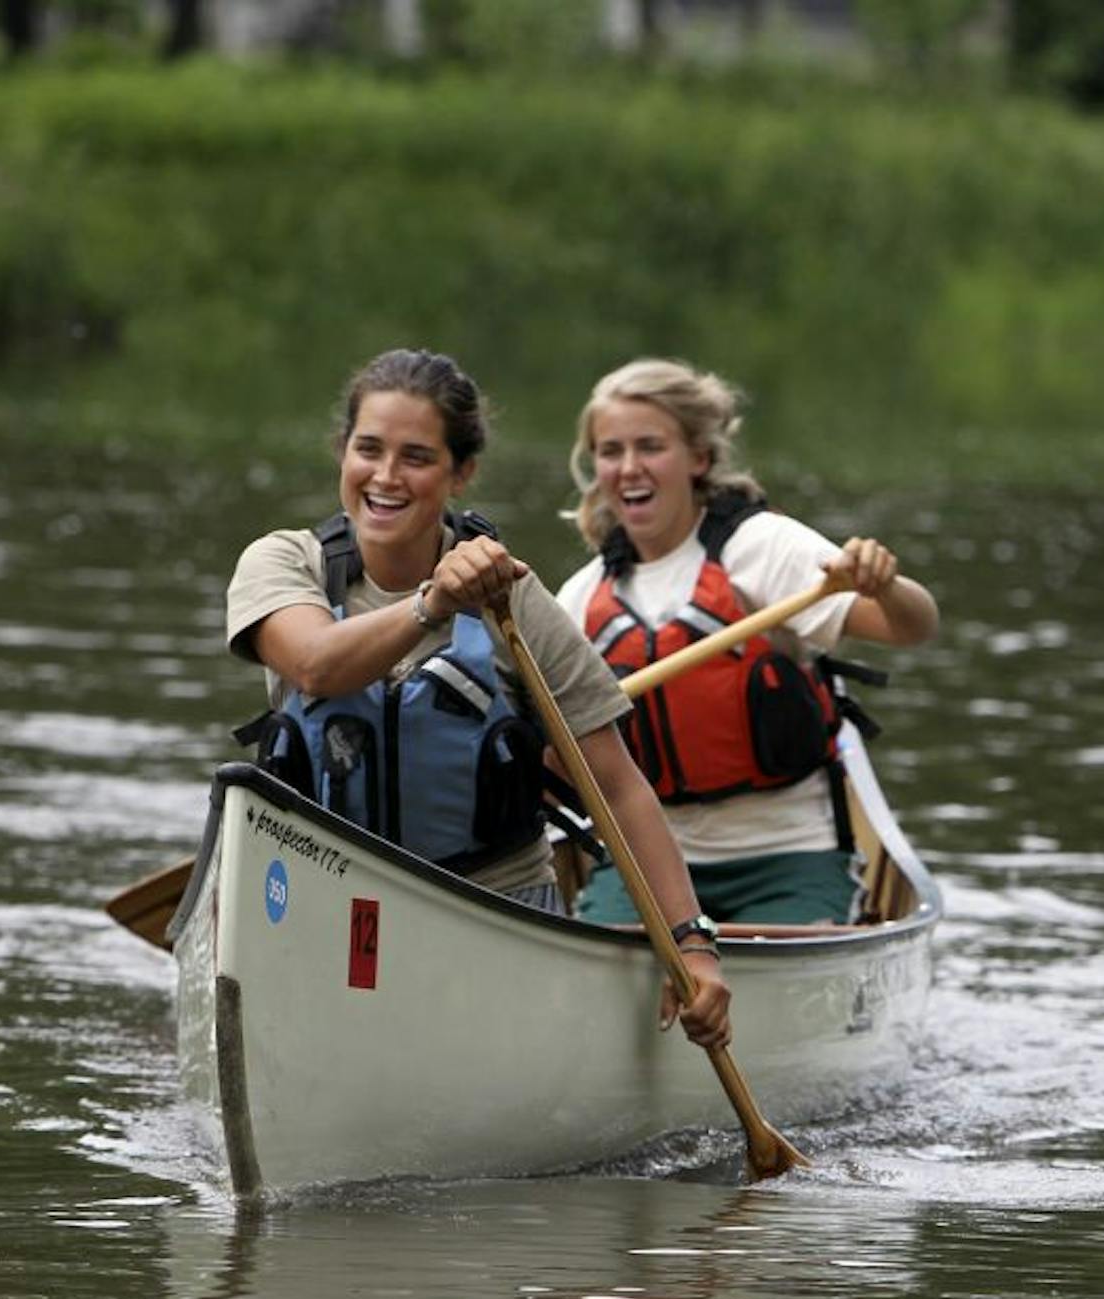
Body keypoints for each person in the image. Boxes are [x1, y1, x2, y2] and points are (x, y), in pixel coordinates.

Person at [224, 348, 732, 1050]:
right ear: (343, 452)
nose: (386, 476)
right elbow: (315, 666)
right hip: (327, 902)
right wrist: (433, 603)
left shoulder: (511, 595)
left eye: (417, 457)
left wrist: (693, 945)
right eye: (368, 449)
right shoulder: (284, 562)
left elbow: (616, 787)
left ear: (460, 473)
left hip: (492, 909)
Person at [554, 358, 940, 926]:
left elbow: (912, 627)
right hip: (648, 860)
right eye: (611, 451)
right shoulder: (581, 597)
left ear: (699, 457)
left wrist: (886, 586)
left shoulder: (762, 547)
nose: (629, 468)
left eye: (650, 447)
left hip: (788, 854)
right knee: (597, 943)